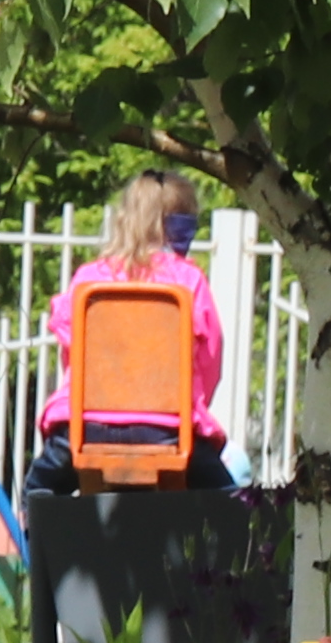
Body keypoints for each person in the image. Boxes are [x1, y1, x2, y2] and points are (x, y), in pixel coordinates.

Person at [36, 168, 228, 465]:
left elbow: (71, 351)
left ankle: (29, 512)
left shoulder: (89, 279)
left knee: (39, 491)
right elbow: (210, 359)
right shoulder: (188, 280)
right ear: (179, 227)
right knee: (229, 504)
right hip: (168, 428)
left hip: (84, 425)